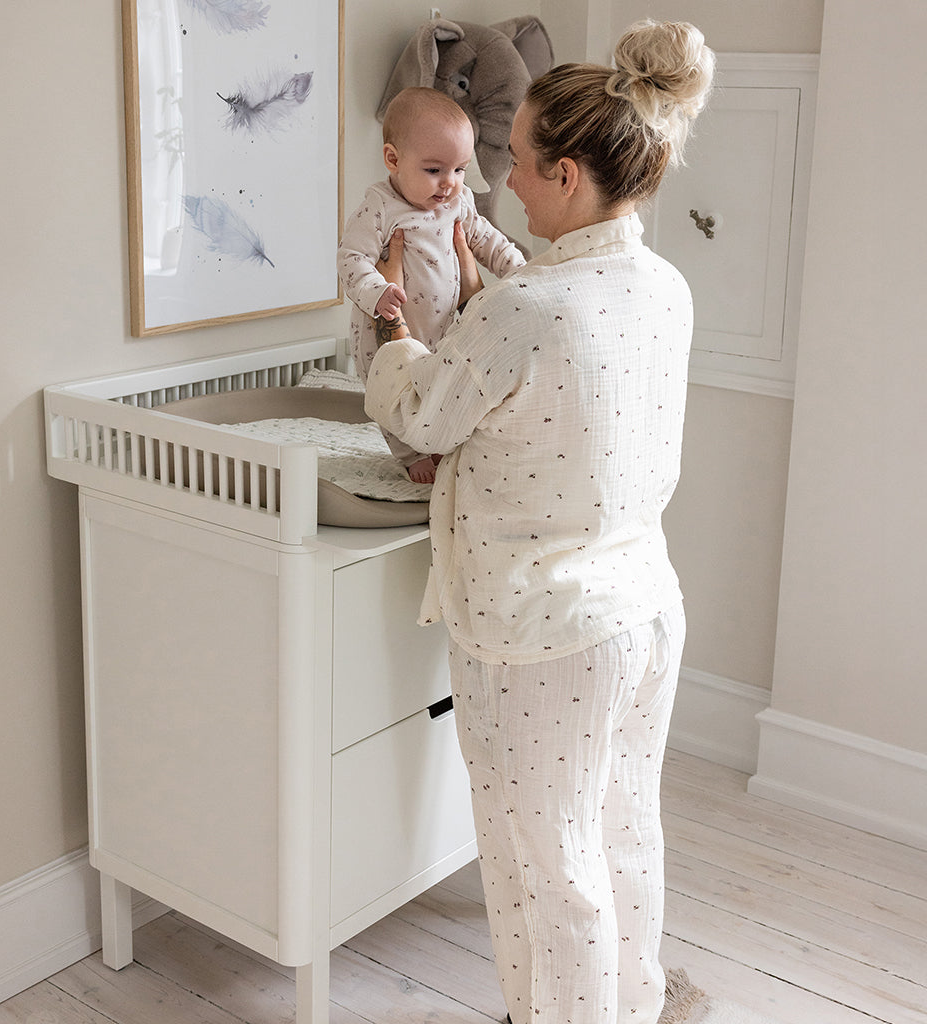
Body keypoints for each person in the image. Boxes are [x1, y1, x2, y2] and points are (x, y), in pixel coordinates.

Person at [362, 20, 715, 1024]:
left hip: (540, 637)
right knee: (622, 833)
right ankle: (634, 1003)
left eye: (515, 161)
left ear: (566, 175)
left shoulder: (529, 309)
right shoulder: (662, 286)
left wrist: (394, 325)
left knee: (544, 865)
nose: (499, 183)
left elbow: (421, 413)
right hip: (643, 608)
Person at [337, 86, 525, 483]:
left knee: (437, 386)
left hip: (444, 327)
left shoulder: (458, 202)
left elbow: (485, 239)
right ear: (393, 160)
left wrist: (517, 270)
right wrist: (377, 293)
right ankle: (407, 454)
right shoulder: (380, 208)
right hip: (384, 323)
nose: (449, 183)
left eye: (459, 169)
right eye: (434, 170)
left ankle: (435, 441)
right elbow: (351, 259)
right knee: (388, 387)